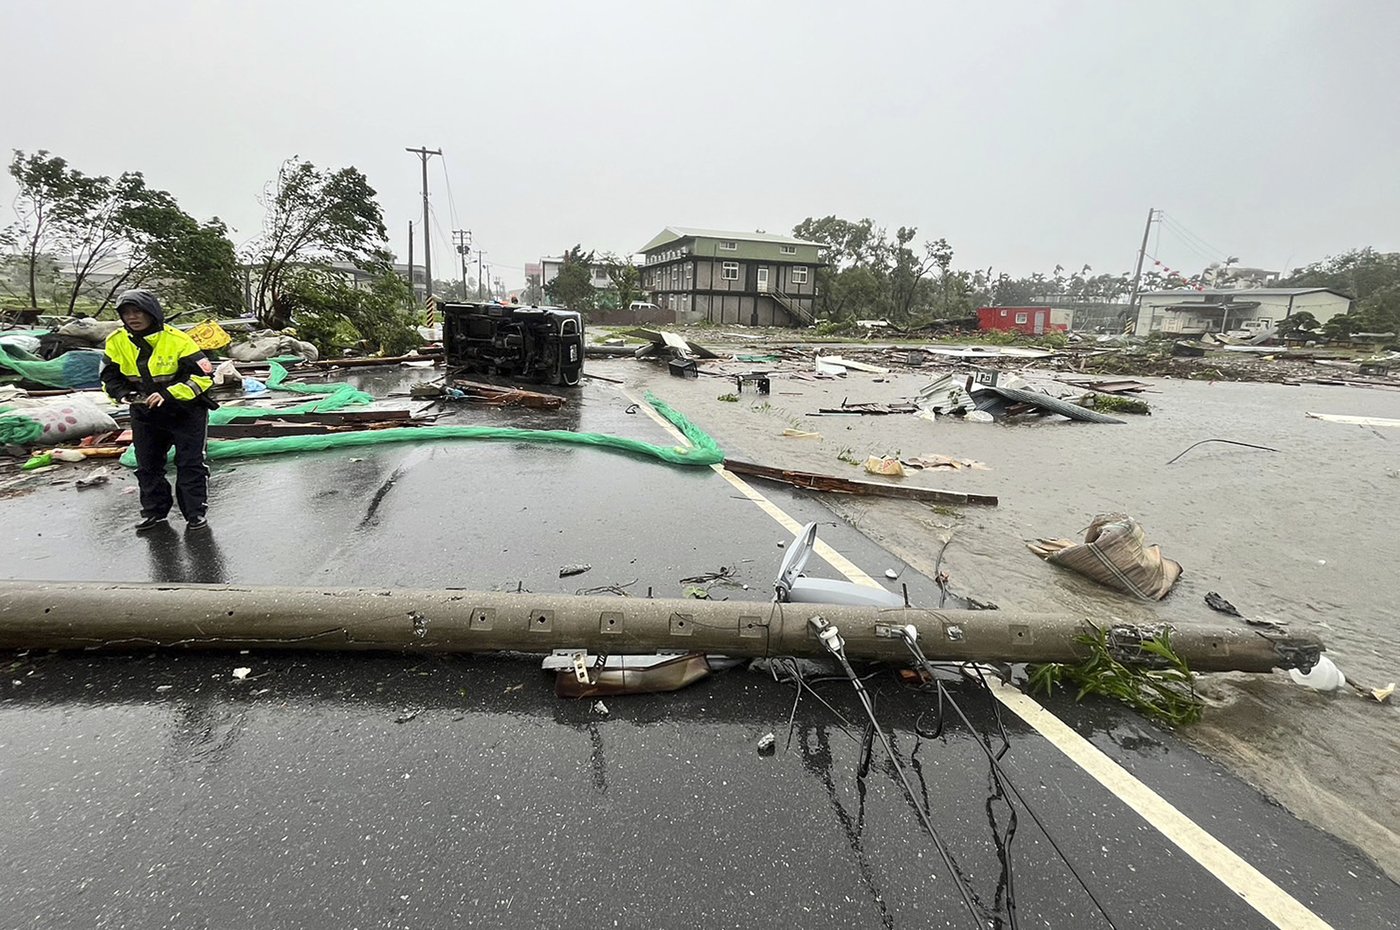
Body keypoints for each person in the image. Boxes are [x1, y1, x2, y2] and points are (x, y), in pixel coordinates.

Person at [100, 289, 217, 532]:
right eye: (127, 313)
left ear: (152, 313)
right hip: (145, 413)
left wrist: (168, 393)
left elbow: (203, 377)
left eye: (138, 311)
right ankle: (154, 513)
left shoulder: (178, 340)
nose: (133, 317)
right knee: (147, 465)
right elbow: (108, 376)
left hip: (184, 411)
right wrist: (124, 394)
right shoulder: (116, 341)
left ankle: (195, 514)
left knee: (190, 464)